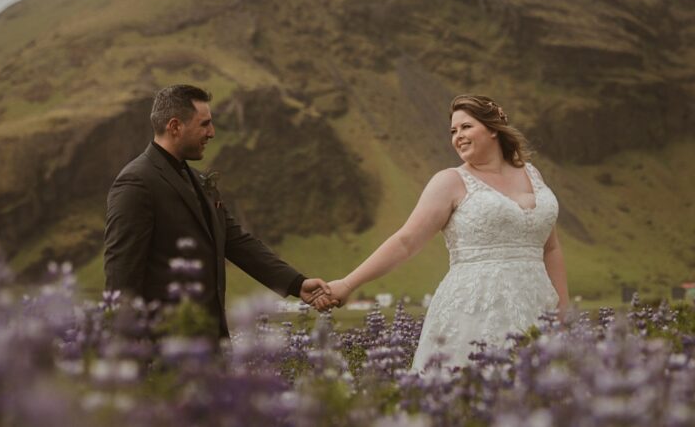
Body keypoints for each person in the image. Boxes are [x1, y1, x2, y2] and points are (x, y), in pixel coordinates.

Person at [322, 94, 569, 369]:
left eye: (466, 127)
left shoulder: (532, 174)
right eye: (453, 131)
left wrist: (563, 312)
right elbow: (406, 242)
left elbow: (550, 248)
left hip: (537, 307)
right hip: (474, 312)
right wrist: (347, 284)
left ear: (492, 128)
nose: (458, 136)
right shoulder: (449, 182)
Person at [104, 84, 333, 339]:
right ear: (175, 126)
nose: (212, 133)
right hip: (165, 350)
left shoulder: (198, 180)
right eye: (204, 124)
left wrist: (296, 283)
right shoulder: (137, 183)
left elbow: (236, 242)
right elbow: (121, 276)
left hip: (210, 345)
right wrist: (126, 353)